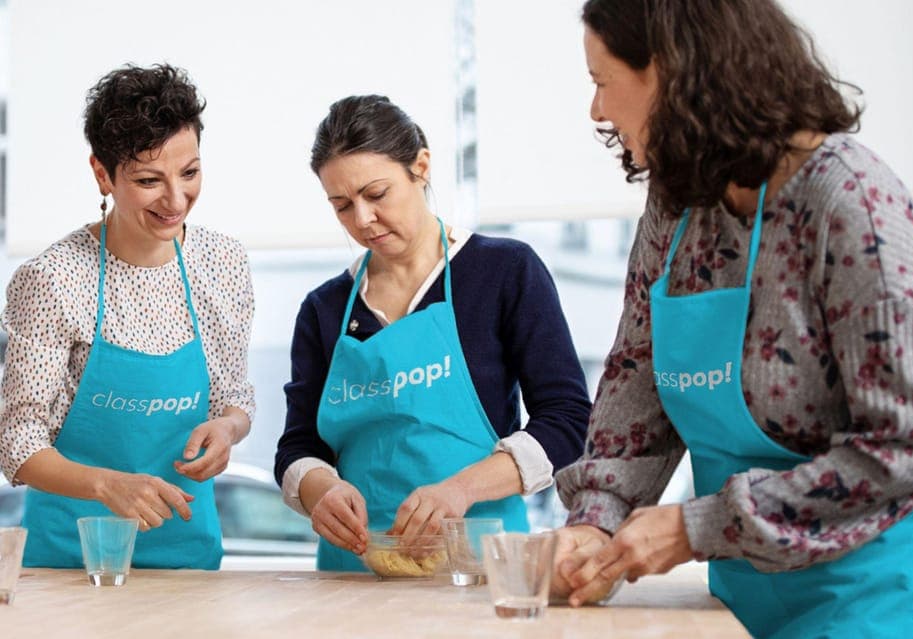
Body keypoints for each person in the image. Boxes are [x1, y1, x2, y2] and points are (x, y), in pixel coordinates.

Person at [552, 1, 913, 637]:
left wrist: (697, 527)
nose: (597, 111)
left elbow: (907, 447)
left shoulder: (854, 206)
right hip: (746, 594)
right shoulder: (677, 205)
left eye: (602, 82)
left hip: (879, 592)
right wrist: (594, 524)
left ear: (672, 73)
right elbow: (636, 382)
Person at [274, 95, 591, 571]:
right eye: (342, 206)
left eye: (376, 194)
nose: (361, 220)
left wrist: (460, 489)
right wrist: (322, 489)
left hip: (480, 565)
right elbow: (298, 447)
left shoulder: (503, 272)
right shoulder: (325, 308)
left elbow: (567, 420)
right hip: (353, 573)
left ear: (420, 167)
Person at [0, 64, 256, 570]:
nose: (176, 199)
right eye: (148, 180)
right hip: (69, 565)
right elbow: (17, 439)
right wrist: (105, 485)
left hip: (187, 560)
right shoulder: (52, 279)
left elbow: (233, 397)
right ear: (102, 174)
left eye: (190, 173)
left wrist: (227, 430)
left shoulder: (225, 264)